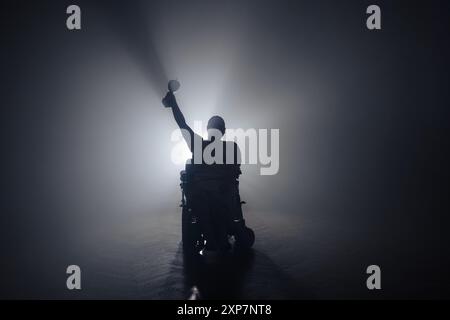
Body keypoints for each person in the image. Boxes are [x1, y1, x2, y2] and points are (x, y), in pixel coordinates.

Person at [163, 91, 241, 251]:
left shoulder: (200, 145)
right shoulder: (231, 148)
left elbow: (182, 124)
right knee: (212, 204)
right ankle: (216, 239)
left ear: (208, 129)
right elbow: (233, 175)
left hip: (209, 197)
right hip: (217, 197)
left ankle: (214, 238)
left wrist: (173, 104)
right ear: (224, 130)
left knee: (205, 203)